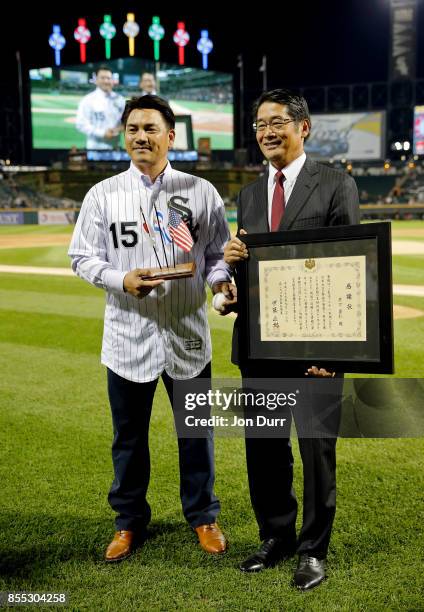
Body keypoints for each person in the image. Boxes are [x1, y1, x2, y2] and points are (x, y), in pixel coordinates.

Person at [69, 94, 236, 562]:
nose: (140, 136)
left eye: (150, 128)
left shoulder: (201, 191)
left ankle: (203, 516)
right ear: (125, 136)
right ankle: (128, 522)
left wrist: (222, 284)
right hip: (127, 337)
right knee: (128, 438)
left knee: (196, 432)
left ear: (170, 135)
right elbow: (82, 257)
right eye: (133, 129)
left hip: (187, 334)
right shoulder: (101, 195)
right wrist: (119, 278)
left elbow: (217, 255)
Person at [223, 89, 360, 590]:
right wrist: (235, 275)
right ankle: (276, 535)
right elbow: (262, 275)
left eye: (277, 121)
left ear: (304, 127)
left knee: (316, 451)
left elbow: (353, 269)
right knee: (264, 448)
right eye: (259, 124)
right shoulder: (250, 195)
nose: (266, 132)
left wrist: (337, 353)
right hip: (261, 345)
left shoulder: (336, 184)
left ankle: (313, 550)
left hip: (317, 349)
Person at [75, 66, 125, 150]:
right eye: (102, 78)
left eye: (108, 78)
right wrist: (102, 133)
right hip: (95, 148)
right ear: (96, 80)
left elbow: (125, 121)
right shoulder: (88, 100)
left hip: (115, 147)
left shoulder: (120, 99)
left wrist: (121, 128)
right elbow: (81, 124)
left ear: (112, 80)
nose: (106, 81)